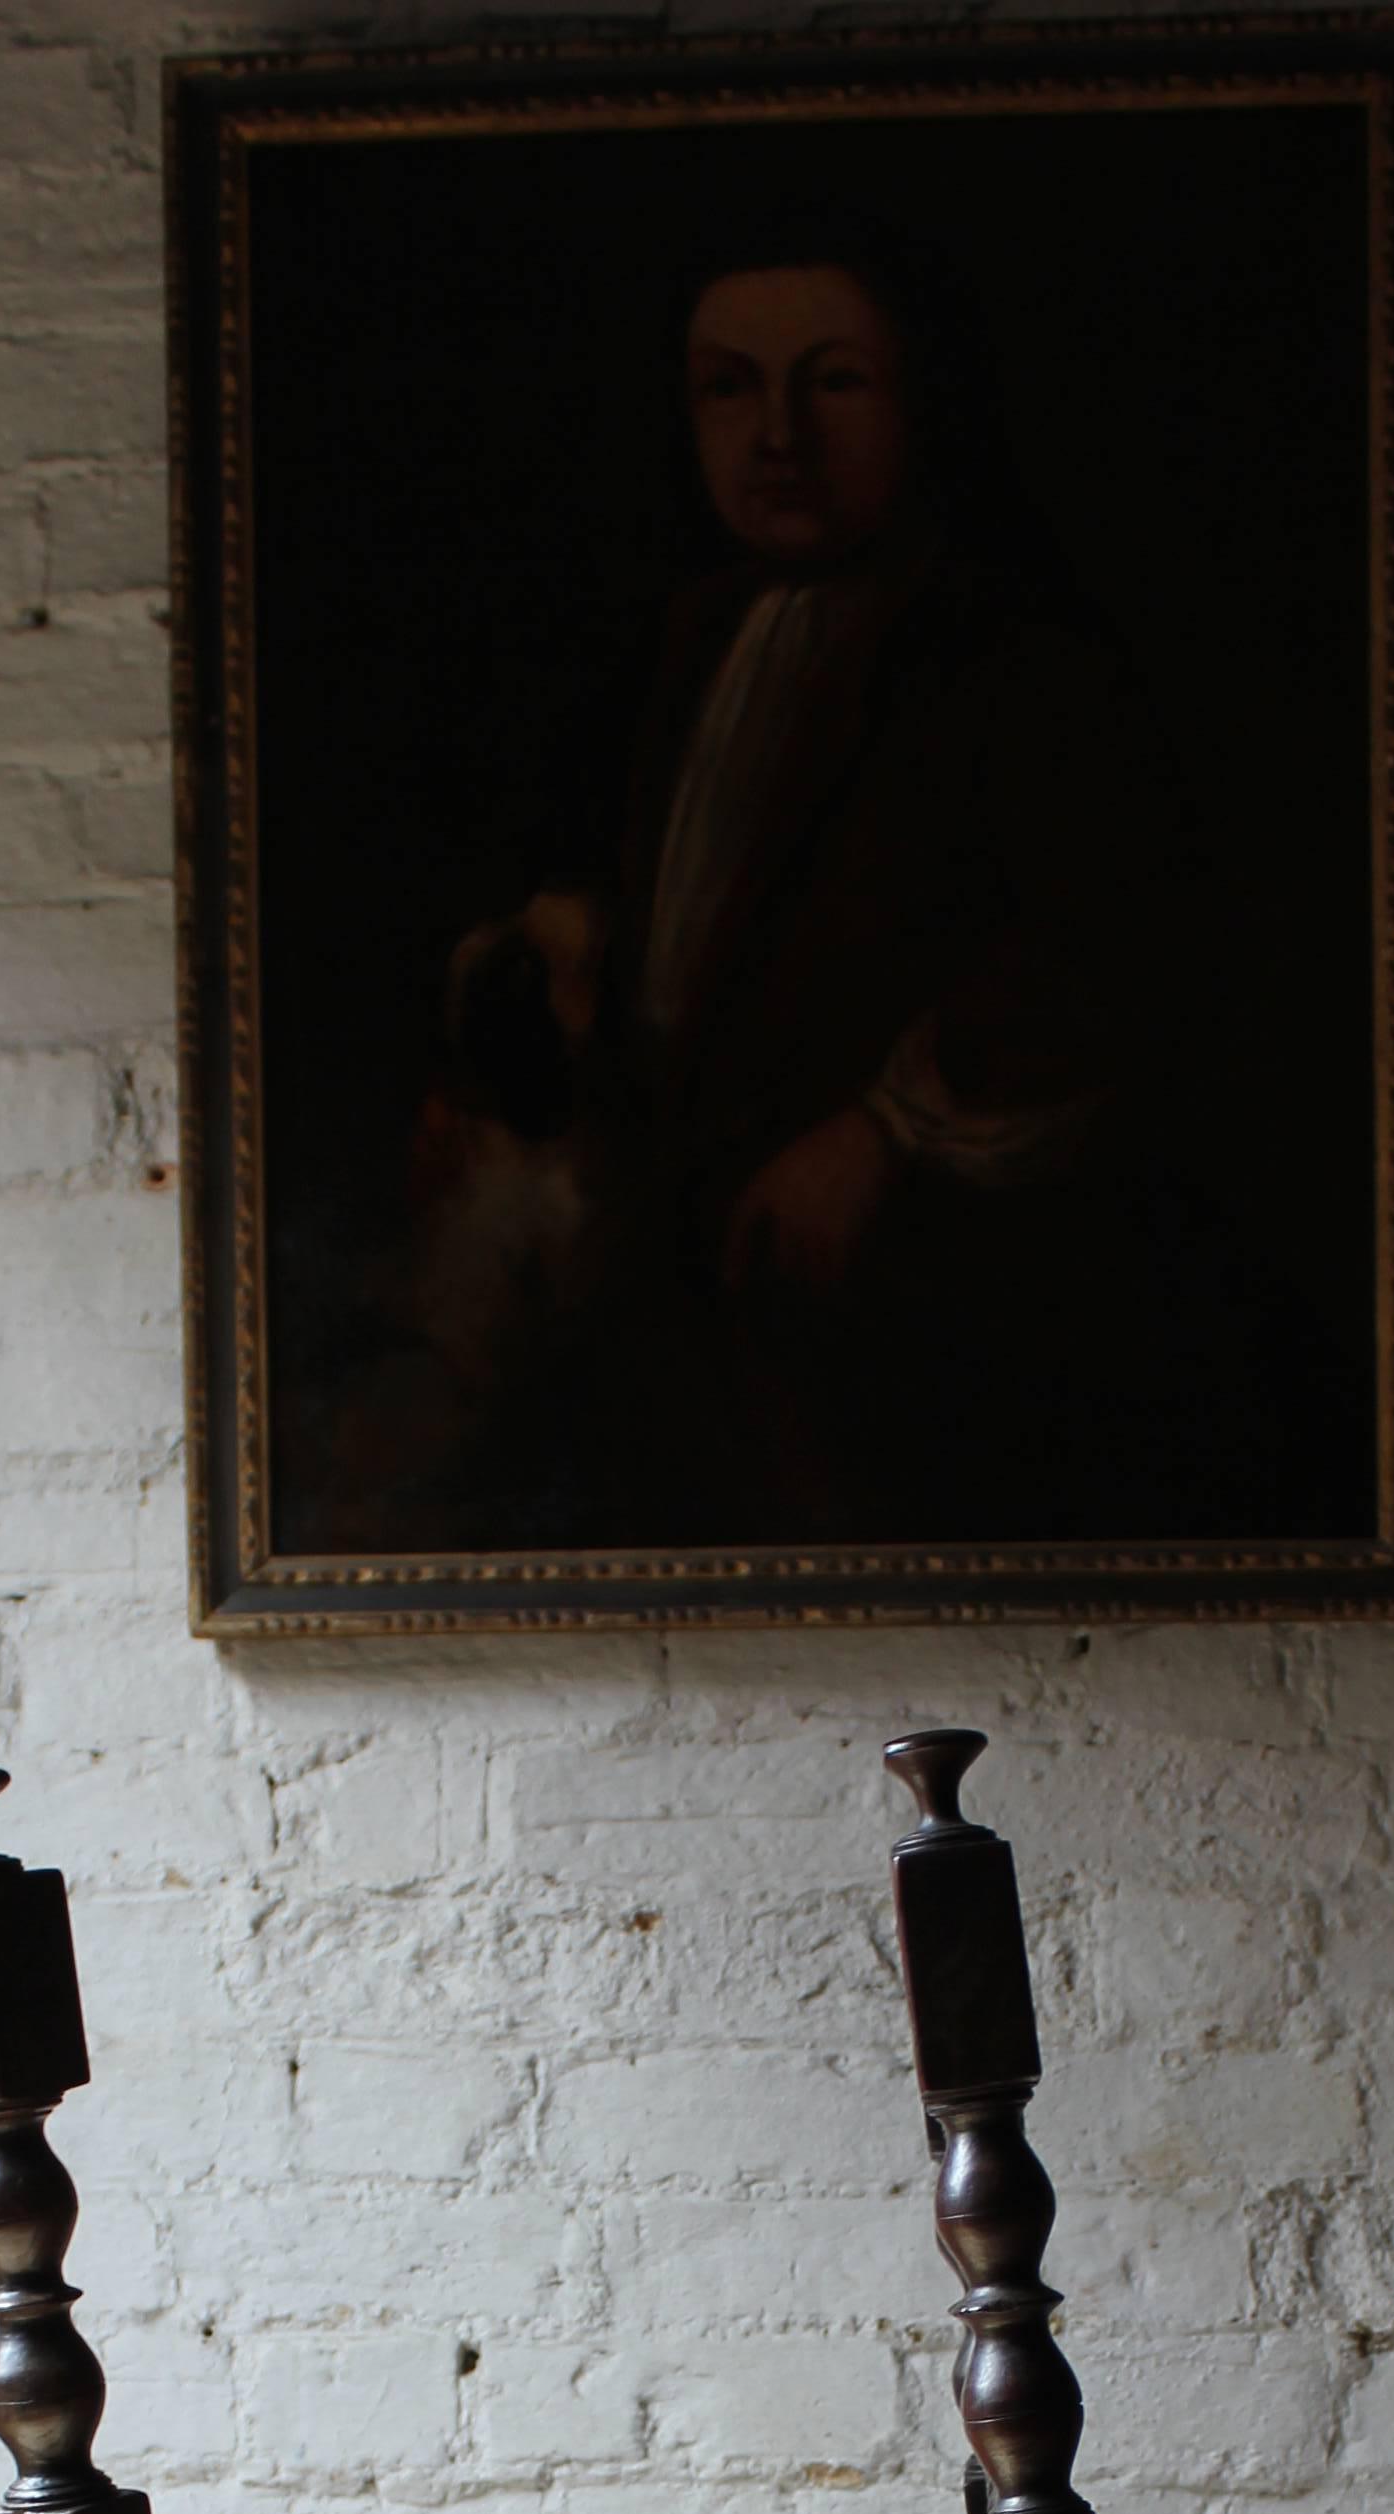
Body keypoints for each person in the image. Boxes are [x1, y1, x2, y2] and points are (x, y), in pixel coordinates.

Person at [372, 224, 1314, 1553]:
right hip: (696, 1299)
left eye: (833, 382)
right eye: (730, 387)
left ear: (921, 400)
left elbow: (1117, 944)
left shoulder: (1012, 652)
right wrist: (562, 956)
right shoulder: (694, 635)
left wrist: (886, 1126)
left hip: (937, 1305)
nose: (777, 436)